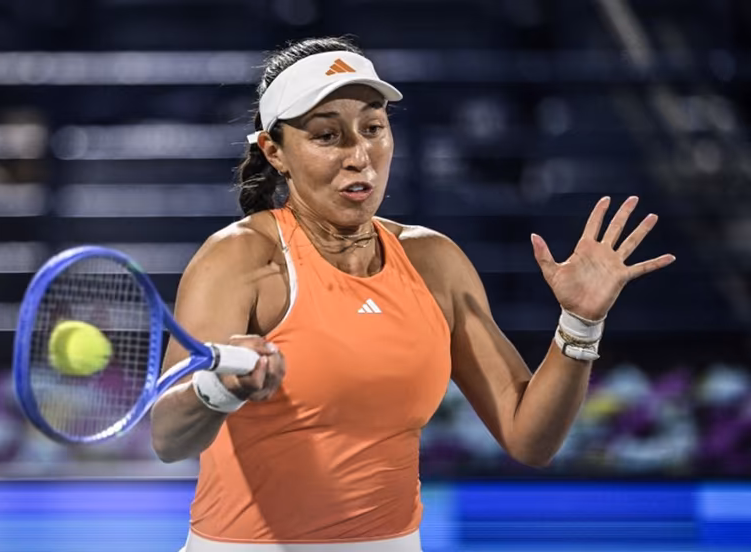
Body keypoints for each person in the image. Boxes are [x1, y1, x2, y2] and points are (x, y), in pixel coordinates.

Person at [149, 36, 676, 552]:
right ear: (275, 152)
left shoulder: (434, 261)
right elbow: (169, 438)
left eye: (373, 128)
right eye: (327, 136)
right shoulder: (238, 259)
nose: (360, 155)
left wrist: (580, 323)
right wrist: (222, 387)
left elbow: (529, 438)